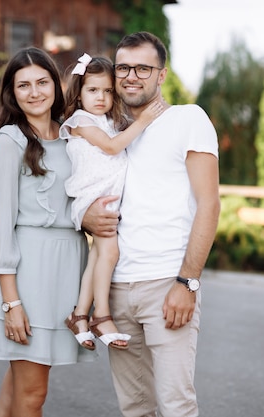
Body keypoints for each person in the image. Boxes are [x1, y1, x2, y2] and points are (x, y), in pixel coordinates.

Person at [82, 32, 221, 417]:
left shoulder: (187, 119)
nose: (131, 76)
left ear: (161, 75)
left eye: (143, 68)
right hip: (116, 289)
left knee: (176, 405)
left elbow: (209, 203)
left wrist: (187, 281)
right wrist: (85, 217)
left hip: (166, 284)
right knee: (135, 408)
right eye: (124, 67)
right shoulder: (110, 132)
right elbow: (83, 191)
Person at [0, 46, 96, 417]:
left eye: (42, 82)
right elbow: (0, 228)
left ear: (56, 85)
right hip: (30, 276)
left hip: (68, 271)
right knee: (32, 396)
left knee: (15, 395)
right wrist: (11, 303)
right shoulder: (10, 142)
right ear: (11, 94)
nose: (34, 92)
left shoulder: (72, 134)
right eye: (23, 85)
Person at [59, 53, 163, 351]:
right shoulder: (80, 121)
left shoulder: (108, 121)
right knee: (110, 253)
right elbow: (112, 146)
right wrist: (143, 120)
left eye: (107, 91)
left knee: (98, 256)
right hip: (92, 199)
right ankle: (101, 316)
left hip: (104, 199)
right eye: (93, 90)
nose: (101, 97)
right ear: (79, 93)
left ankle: (79, 315)